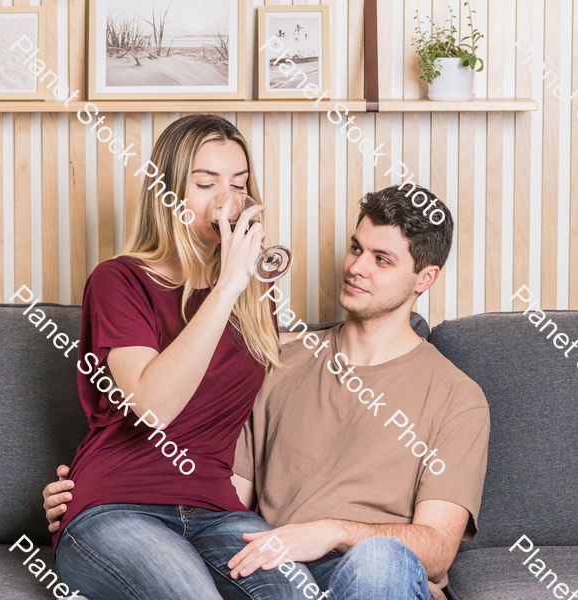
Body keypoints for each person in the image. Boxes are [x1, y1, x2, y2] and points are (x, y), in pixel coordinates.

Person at [45, 184, 490, 600]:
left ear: (424, 278)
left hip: (373, 578)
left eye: (382, 259)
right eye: (356, 248)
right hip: (274, 572)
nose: (357, 267)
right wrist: (91, 494)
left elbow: (436, 548)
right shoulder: (271, 361)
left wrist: (332, 531)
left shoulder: (457, 397)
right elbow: (216, 497)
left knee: (381, 558)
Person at [51, 114, 317, 600]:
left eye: (239, 184)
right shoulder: (120, 280)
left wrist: (238, 284)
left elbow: (238, 422)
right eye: (204, 183)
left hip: (217, 510)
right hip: (116, 506)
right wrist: (229, 286)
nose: (227, 200)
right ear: (168, 193)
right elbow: (153, 408)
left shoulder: (256, 298)